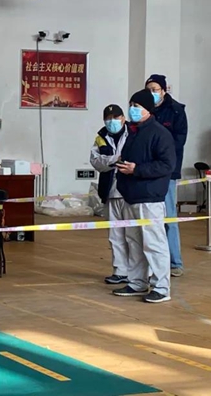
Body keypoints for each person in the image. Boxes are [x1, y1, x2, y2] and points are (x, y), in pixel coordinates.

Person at [113, 90, 176, 303]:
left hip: (149, 198)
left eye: (137, 106)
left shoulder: (160, 133)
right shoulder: (133, 133)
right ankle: (137, 282)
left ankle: (161, 287)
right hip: (130, 196)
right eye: (131, 104)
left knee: (154, 243)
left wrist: (137, 170)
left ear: (148, 109)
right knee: (134, 242)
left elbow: (167, 165)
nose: (132, 109)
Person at [145, 74, 187, 277]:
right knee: (147, 219)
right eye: (148, 89)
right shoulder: (144, 109)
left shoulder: (176, 111)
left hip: (167, 170)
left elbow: (178, 142)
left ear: (163, 90)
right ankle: (150, 263)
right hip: (146, 170)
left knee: (169, 217)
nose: (151, 93)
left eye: (155, 89)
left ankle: (175, 262)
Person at [90, 104, 131, 285]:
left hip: (131, 191)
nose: (112, 121)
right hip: (111, 191)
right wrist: (115, 159)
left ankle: (139, 272)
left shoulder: (134, 133)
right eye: (108, 118)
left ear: (123, 118)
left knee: (134, 234)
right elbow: (96, 161)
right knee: (115, 235)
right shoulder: (101, 137)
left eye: (115, 117)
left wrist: (115, 161)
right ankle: (120, 270)